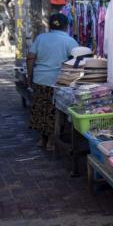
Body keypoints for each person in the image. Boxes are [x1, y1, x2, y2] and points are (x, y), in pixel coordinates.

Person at [27, 13, 78, 150]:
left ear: (49, 25)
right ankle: (51, 141)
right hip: (59, 82)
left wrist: (30, 75)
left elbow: (31, 57)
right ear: (66, 26)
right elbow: (77, 61)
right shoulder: (69, 41)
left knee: (40, 108)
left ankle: (41, 139)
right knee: (55, 111)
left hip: (40, 79)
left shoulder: (41, 38)